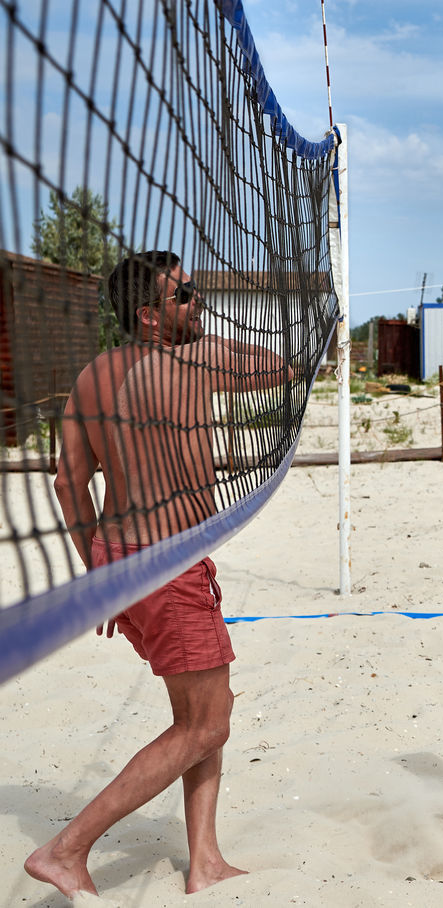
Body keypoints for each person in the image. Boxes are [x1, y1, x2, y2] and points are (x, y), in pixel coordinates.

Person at [25, 251, 292, 899]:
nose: (197, 302)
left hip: (122, 560)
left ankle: (204, 860)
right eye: (185, 297)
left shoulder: (90, 377)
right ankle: (65, 850)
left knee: (200, 711)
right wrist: (213, 338)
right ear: (148, 316)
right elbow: (281, 368)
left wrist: (99, 580)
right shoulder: (197, 362)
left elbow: (68, 483)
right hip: (167, 565)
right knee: (208, 724)